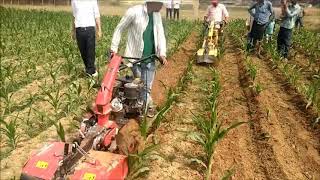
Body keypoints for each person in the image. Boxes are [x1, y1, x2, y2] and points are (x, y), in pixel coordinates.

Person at [110, 0, 168, 117]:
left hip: (151, 57)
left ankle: (144, 106)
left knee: (146, 87)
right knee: (140, 84)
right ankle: (144, 106)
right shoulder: (134, 12)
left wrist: (162, 53)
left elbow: (160, 34)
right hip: (135, 58)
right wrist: (113, 49)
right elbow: (119, 28)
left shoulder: (157, 15)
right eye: (160, 4)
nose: (162, 7)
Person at [71, 0, 101, 77]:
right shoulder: (74, 1)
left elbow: (97, 15)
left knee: (90, 51)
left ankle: (90, 72)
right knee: (83, 52)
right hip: (79, 29)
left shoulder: (93, 1)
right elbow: (74, 16)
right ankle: (91, 70)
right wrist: (73, 30)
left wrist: (99, 30)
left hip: (90, 29)